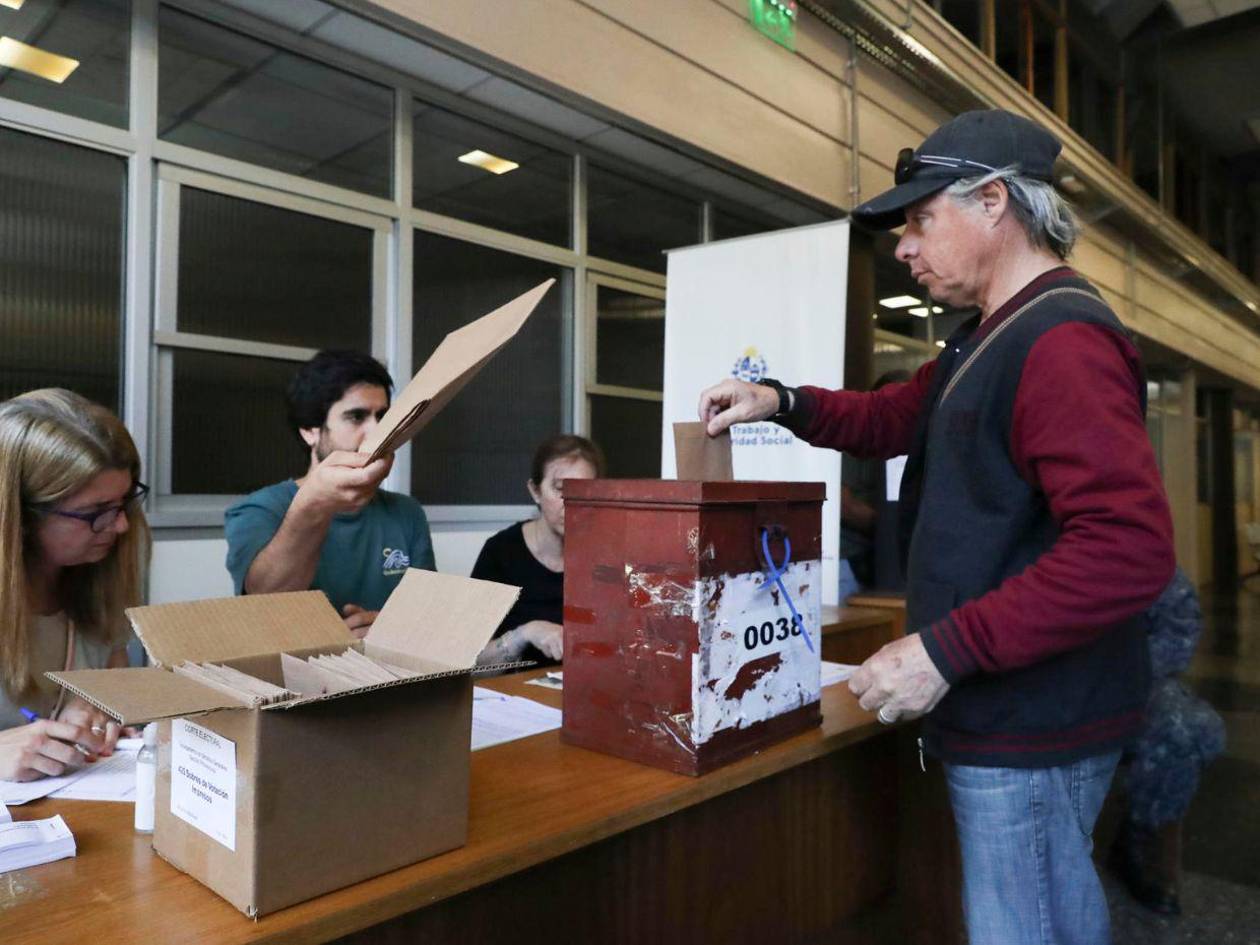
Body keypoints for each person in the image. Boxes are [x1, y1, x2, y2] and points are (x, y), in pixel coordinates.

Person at [699, 109, 1175, 945]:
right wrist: (781, 400)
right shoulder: (986, 337)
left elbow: (1126, 549)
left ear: (993, 202)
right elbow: (892, 417)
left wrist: (944, 651)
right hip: (1007, 706)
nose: (904, 247)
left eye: (921, 220)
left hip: (1034, 719)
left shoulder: (1060, 340)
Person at [225, 351, 435, 638]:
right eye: (356, 416)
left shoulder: (406, 512)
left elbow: (429, 614)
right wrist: (315, 502)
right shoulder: (258, 510)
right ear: (310, 431)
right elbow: (264, 603)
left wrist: (390, 628)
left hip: (390, 662)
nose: (377, 432)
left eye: (382, 417)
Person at [0, 389, 150, 781]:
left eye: (123, 503)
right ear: (19, 516)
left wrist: (100, 715)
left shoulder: (97, 582)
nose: (121, 525)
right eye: (94, 512)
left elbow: (115, 697)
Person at [1110, 567, 1225, 915]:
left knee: (1188, 729)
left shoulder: (1136, 555)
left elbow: (1179, 628)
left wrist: (1117, 679)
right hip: (1044, 688)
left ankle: (1143, 833)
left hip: (1128, 680)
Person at [471, 435, 604, 667]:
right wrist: (525, 634)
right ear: (535, 491)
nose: (572, 502)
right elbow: (470, 661)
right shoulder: (501, 552)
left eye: (584, 491)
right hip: (513, 687)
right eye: (560, 489)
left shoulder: (606, 556)